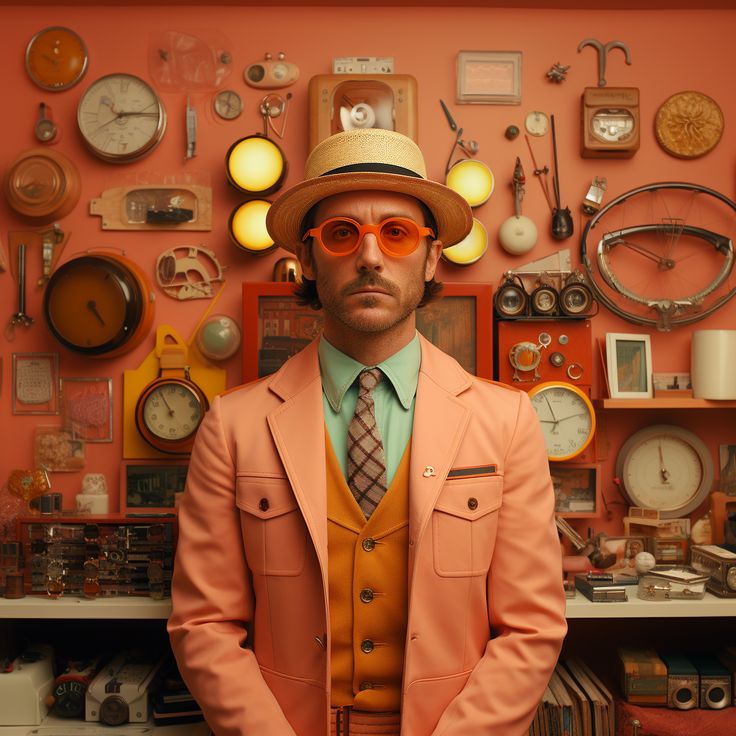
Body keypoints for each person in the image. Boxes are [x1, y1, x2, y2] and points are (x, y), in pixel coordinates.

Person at [168, 128, 567, 736]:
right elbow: (204, 625)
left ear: (433, 258)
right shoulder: (233, 426)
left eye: (398, 233)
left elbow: (532, 627)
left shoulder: (505, 421)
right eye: (342, 233)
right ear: (307, 256)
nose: (371, 256)